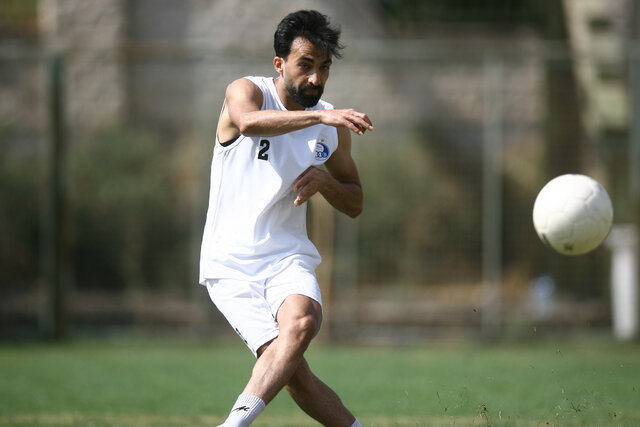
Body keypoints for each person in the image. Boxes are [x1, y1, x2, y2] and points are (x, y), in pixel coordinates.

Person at [199, 9, 373, 427]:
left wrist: (325, 183)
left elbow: (355, 202)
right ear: (279, 64)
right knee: (297, 379)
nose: (316, 79)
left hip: (286, 257)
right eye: (306, 66)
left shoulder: (332, 127)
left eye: (325, 67)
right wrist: (320, 115)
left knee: (303, 321)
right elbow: (247, 123)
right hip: (230, 264)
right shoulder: (247, 91)